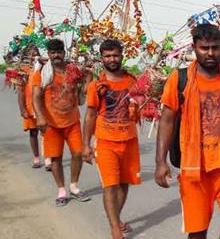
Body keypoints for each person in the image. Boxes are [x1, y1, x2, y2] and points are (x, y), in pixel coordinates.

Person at [155, 23, 220, 239]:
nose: (211, 53)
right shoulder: (179, 79)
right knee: (198, 231)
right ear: (194, 48)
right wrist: (160, 162)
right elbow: (166, 121)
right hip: (195, 168)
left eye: (215, 47)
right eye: (204, 48)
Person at [83, 39, 139, 239]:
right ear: (102, 58)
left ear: (122, 55)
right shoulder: (96, 85)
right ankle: (115, 229)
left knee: (124, 183)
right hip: (106, 142)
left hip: (130, 140)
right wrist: (86, 145)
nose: (112, 59)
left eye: (115, 55)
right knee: (110, 185)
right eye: (107, 56)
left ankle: (117, 218)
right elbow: (89, 115)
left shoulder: (133, 81)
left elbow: (140, 106)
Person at [32, 38, 92, 206]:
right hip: (51, 123)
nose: (56, 55)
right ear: (49, 54)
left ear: (64, 53)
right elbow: (36, 97)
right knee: (56, 158)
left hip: (72, 121)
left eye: (59, 52)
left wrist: (86, 78)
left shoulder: (73, 70)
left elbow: (88, 77)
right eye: (52, 52)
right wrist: (40, 117)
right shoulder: (42, 73)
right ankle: (61, 190)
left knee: (78, 154)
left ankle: (74, 186)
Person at [16, 46, 42, 168]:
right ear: (26, 56)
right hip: (29, 106)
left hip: (44, 106)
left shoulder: (44, 68)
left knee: (47, 133)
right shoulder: (23, 70)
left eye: (36, 53)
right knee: (33, 132)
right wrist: (22, 109)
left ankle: (49, 158)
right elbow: (20, 91)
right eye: (31, 54)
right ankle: (36, 157)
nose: (34, 56)